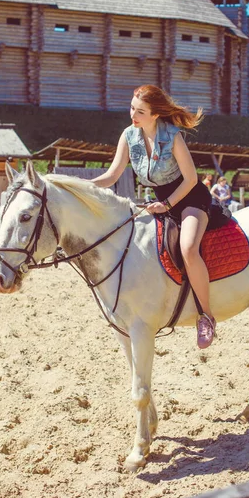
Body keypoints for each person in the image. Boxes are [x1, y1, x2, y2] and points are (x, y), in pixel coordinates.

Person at [90, 84, 215, 349]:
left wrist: (168, 203)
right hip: (160, 201)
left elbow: (191, 179)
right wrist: (86, 187)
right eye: (132, 108)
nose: (133, 115)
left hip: (190, 198)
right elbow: (113, 174)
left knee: (189, 248)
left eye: (140, 111)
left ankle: (205, 316)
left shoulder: (173, 136)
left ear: (156, 114)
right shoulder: (128, 135)